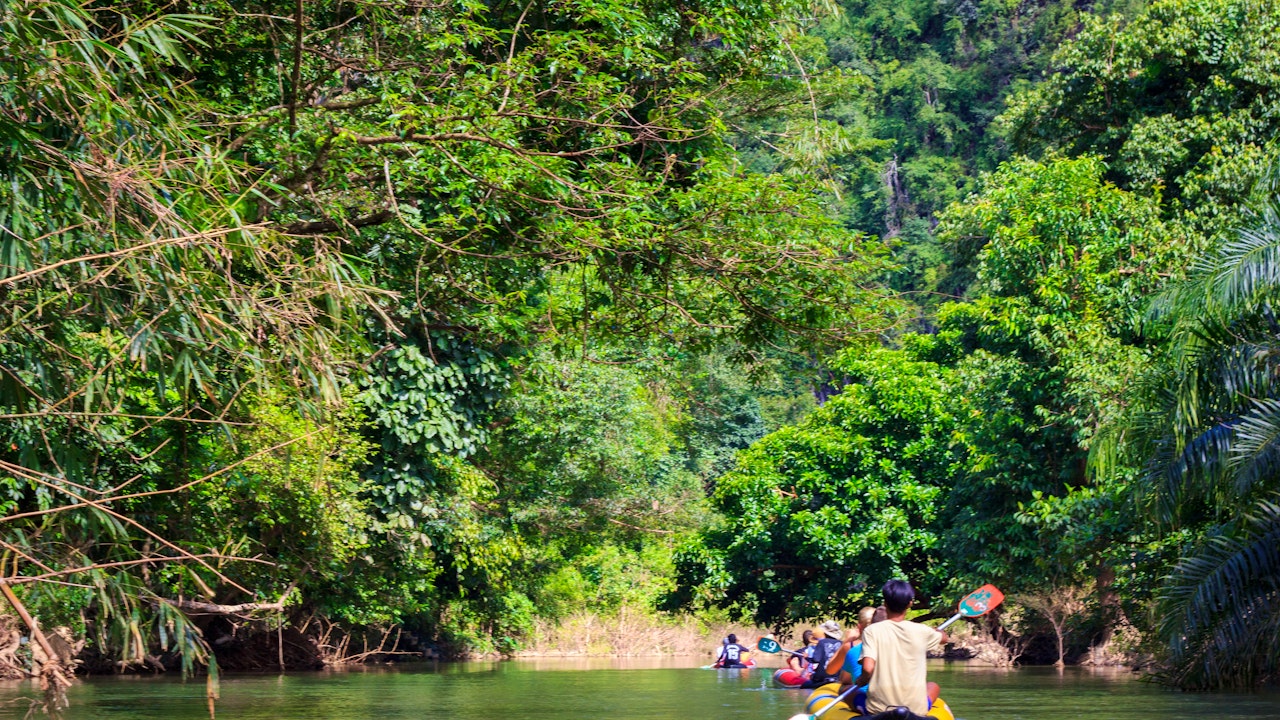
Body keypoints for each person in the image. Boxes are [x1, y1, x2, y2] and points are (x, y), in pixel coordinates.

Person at [855, 579, 948, 716]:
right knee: (933, 686)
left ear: (885, 603)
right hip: (915, 711)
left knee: (848, 693)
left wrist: (861, 681)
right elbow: (944, 639)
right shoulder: (922, 631)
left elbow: (868, 669)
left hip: (879, 710)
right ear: (910, 603)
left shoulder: (872, 631)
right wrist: (938, 632)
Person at [801, 620, 844, 687]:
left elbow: (816, 659)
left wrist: (807, 657)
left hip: (821, 678)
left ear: (824, 632)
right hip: (837, 678)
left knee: (804, 685)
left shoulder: (822, 642)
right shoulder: (842, 644)